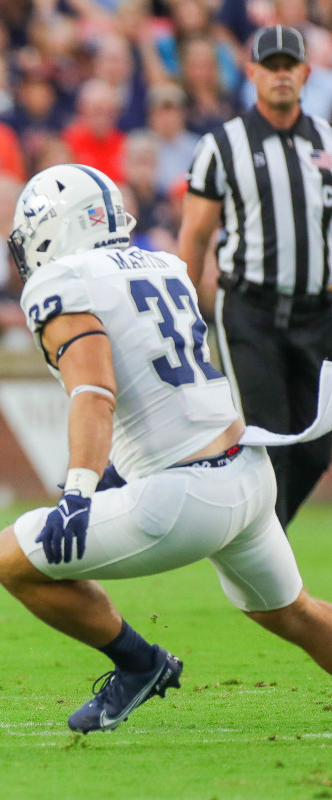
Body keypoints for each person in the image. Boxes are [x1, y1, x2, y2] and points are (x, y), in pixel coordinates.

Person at [0, 163, 332, 735]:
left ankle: (139, 663)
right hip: (247, 473)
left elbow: (95, 390)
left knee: (11, 558)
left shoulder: (61, 281)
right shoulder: (163, 263)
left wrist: (79, 491)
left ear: (55, 230)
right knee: (293, 612)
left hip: (185, 498)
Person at [178, 25, 332, 530]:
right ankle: (271, 562)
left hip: (318, 310)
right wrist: (185, 312)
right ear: (252, 73)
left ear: (306, 73)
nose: (281, 75)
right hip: (251, 309)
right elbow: (196, 235)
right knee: (269, 438)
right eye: (271, 66)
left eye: (290, 66)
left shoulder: (328, 140)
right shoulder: (223, 144)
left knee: (320, 437)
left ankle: (257, 540)